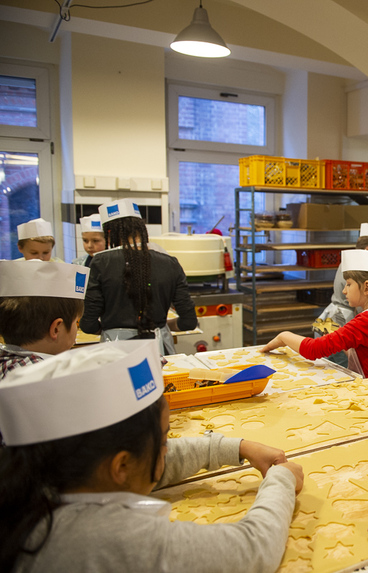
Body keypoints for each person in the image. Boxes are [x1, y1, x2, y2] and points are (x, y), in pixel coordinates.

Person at [0, 339, 304, 573]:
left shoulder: (40, 482)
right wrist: (281, 482)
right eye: (164, 440)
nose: (168, 448)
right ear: (121, 465)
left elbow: (150, 465)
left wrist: (233, 447)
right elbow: (253, 550)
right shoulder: (105, 539)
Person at [262, 249, 368, 383]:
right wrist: (337, 336)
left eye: (348, 284)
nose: (344, 291)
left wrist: (283, 336)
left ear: (367, 287)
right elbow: (367, 356)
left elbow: (313, 350)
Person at [79, 198, 197, 356]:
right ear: (141, 228)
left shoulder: (101, 262)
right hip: (160, 351)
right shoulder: (170, 262)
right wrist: (159, 326)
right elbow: (189, 322)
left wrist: (110, 330)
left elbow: (88, 324)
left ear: (109, 233)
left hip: (116, 353)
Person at [0, 260, 89, 379]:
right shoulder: (44, 377)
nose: (76, 330)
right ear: (56, 328)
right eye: (76, 323)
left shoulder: (7, 363)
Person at [317, 223, 368, 331]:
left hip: (335, 314)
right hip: (345, 318)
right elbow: (364, 301)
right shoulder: (359, 267)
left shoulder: (351, 261)